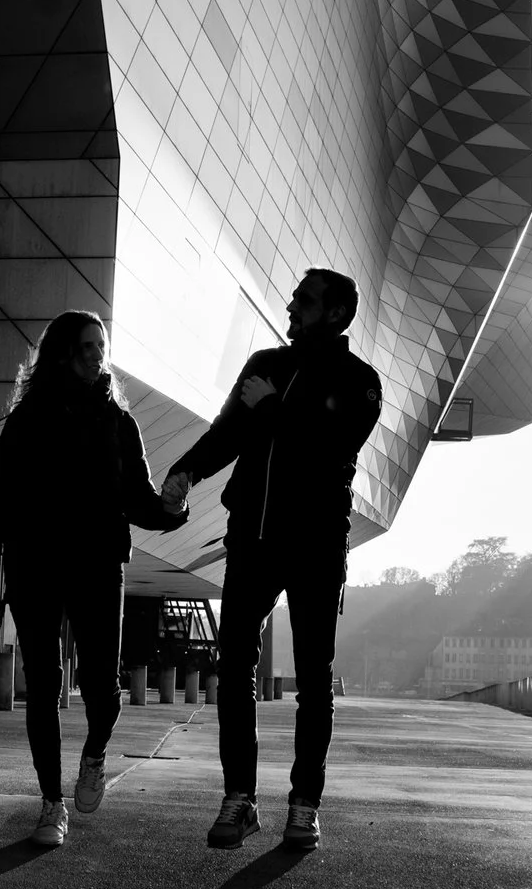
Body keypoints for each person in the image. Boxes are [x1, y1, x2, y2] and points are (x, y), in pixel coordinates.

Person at [161, 269, 381, 851]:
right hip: (254, 539)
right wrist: (185, 469)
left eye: (304, 300)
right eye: (295, 297)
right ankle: (239, 799)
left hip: (315, 547)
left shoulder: (361, 382)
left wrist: (274, 411)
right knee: (232, 670)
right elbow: (227, 432)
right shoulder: (265, 362)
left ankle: (304, 805)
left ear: (335, 314)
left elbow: (332, 447)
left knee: (313, 682)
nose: (292, 305)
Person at [0, 310, 187, 847]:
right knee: (42, 687)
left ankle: (93, 756)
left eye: (101, 345)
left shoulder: (118, 422)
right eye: (88, 345)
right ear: (64, 351)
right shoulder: (27, 420)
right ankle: (50, 804)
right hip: (33, 562)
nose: (97, 353)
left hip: (96, 562)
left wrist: (173, 510)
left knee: (101, 690)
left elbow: (137, 498)